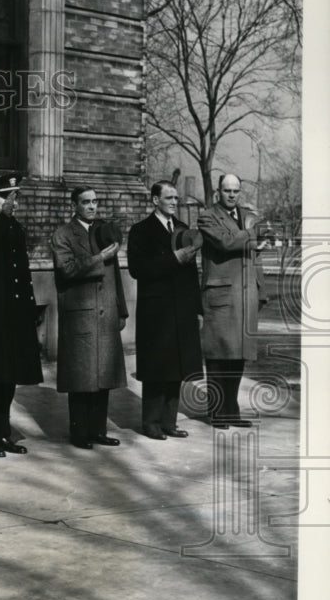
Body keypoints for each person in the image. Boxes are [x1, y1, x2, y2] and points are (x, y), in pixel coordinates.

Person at [50, 187, 128, 449]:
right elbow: (67, 269)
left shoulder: (103, 231)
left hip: (106, 311)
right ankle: (80, 433)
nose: (92, 207)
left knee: (103, 376)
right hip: (80, 314)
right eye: (86, 202)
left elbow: (115, 273)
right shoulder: (63, 234)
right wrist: (99, 258)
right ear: (75, 205)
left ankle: (98, 430)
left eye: (95, 202)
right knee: (81, 377)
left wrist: (122, 309)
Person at [0, 173, 43, 456]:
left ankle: (3, 433)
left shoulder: (15, 228)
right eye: (8, 197)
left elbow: (21, 275)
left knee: (9, 379)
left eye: (15, 197)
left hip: (14, 318)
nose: (13, 202)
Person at [127, 180, 203, 440]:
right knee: (156, 366)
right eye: (169, 197)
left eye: (176, 198)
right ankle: (151, 423)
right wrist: (174, 258)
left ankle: (169, 422)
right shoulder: (141, 231)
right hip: (156, 310)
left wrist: (198, 309)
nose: (174, 202)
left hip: (182, 308)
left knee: (177, 366)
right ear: (155, 200)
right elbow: (138, 269)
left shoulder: (182, 229)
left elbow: (192, 272)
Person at [197, 174, 269, 428]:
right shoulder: (207, 216)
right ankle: (216, 412)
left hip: (245, 295)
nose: (231, 195)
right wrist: (253, 232)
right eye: (227, 190)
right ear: (219, 191)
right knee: (218, 355)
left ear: (240, 191)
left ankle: (231, 411)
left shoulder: (247, 216)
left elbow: (255, 254)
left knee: (238, 355)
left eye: (236, 190)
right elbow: (226, 243)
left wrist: (261, 289)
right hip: (221, 296)